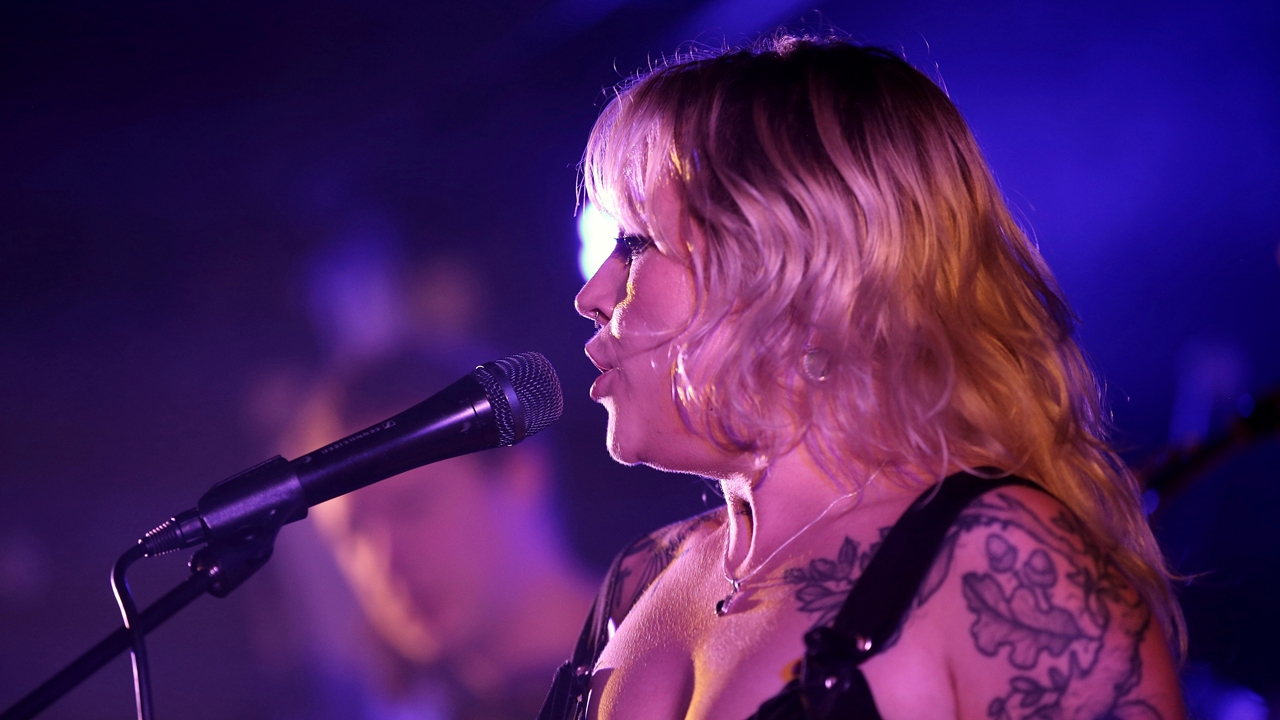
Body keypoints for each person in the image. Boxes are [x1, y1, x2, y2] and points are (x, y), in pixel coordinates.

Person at [545, 35, 1186, 720]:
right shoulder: (642, 576)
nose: (592, 295)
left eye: (636, 243)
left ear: (795, 273)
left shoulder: (998, 561)